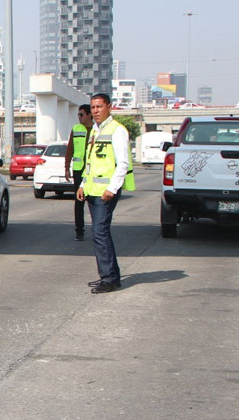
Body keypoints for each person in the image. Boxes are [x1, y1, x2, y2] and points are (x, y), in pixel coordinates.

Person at [76, 93, 134, 294]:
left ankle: (109, 279)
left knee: (100, 233)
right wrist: (83, 184)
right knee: (99, 233)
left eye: (99, 107)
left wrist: (113, 188)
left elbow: (122, 163)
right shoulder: (95, 130)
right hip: (93, 190)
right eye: (93, 107)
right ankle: (112, 276)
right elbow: (90, 161)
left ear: (109, 107)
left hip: (105, 192)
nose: (95, 111)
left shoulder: (118, 131)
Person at [64, 104, 91, 240]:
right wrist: (66, 167)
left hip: (93, 170)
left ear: (89, 115)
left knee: (94, 201)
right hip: (79, 169)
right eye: (78, 115)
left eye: (81, 115)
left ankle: (98, 229)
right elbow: (70, 149)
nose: (79, 117)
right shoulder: (76, 129)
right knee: (79, 201)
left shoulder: (98, 130)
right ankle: (79, 231)